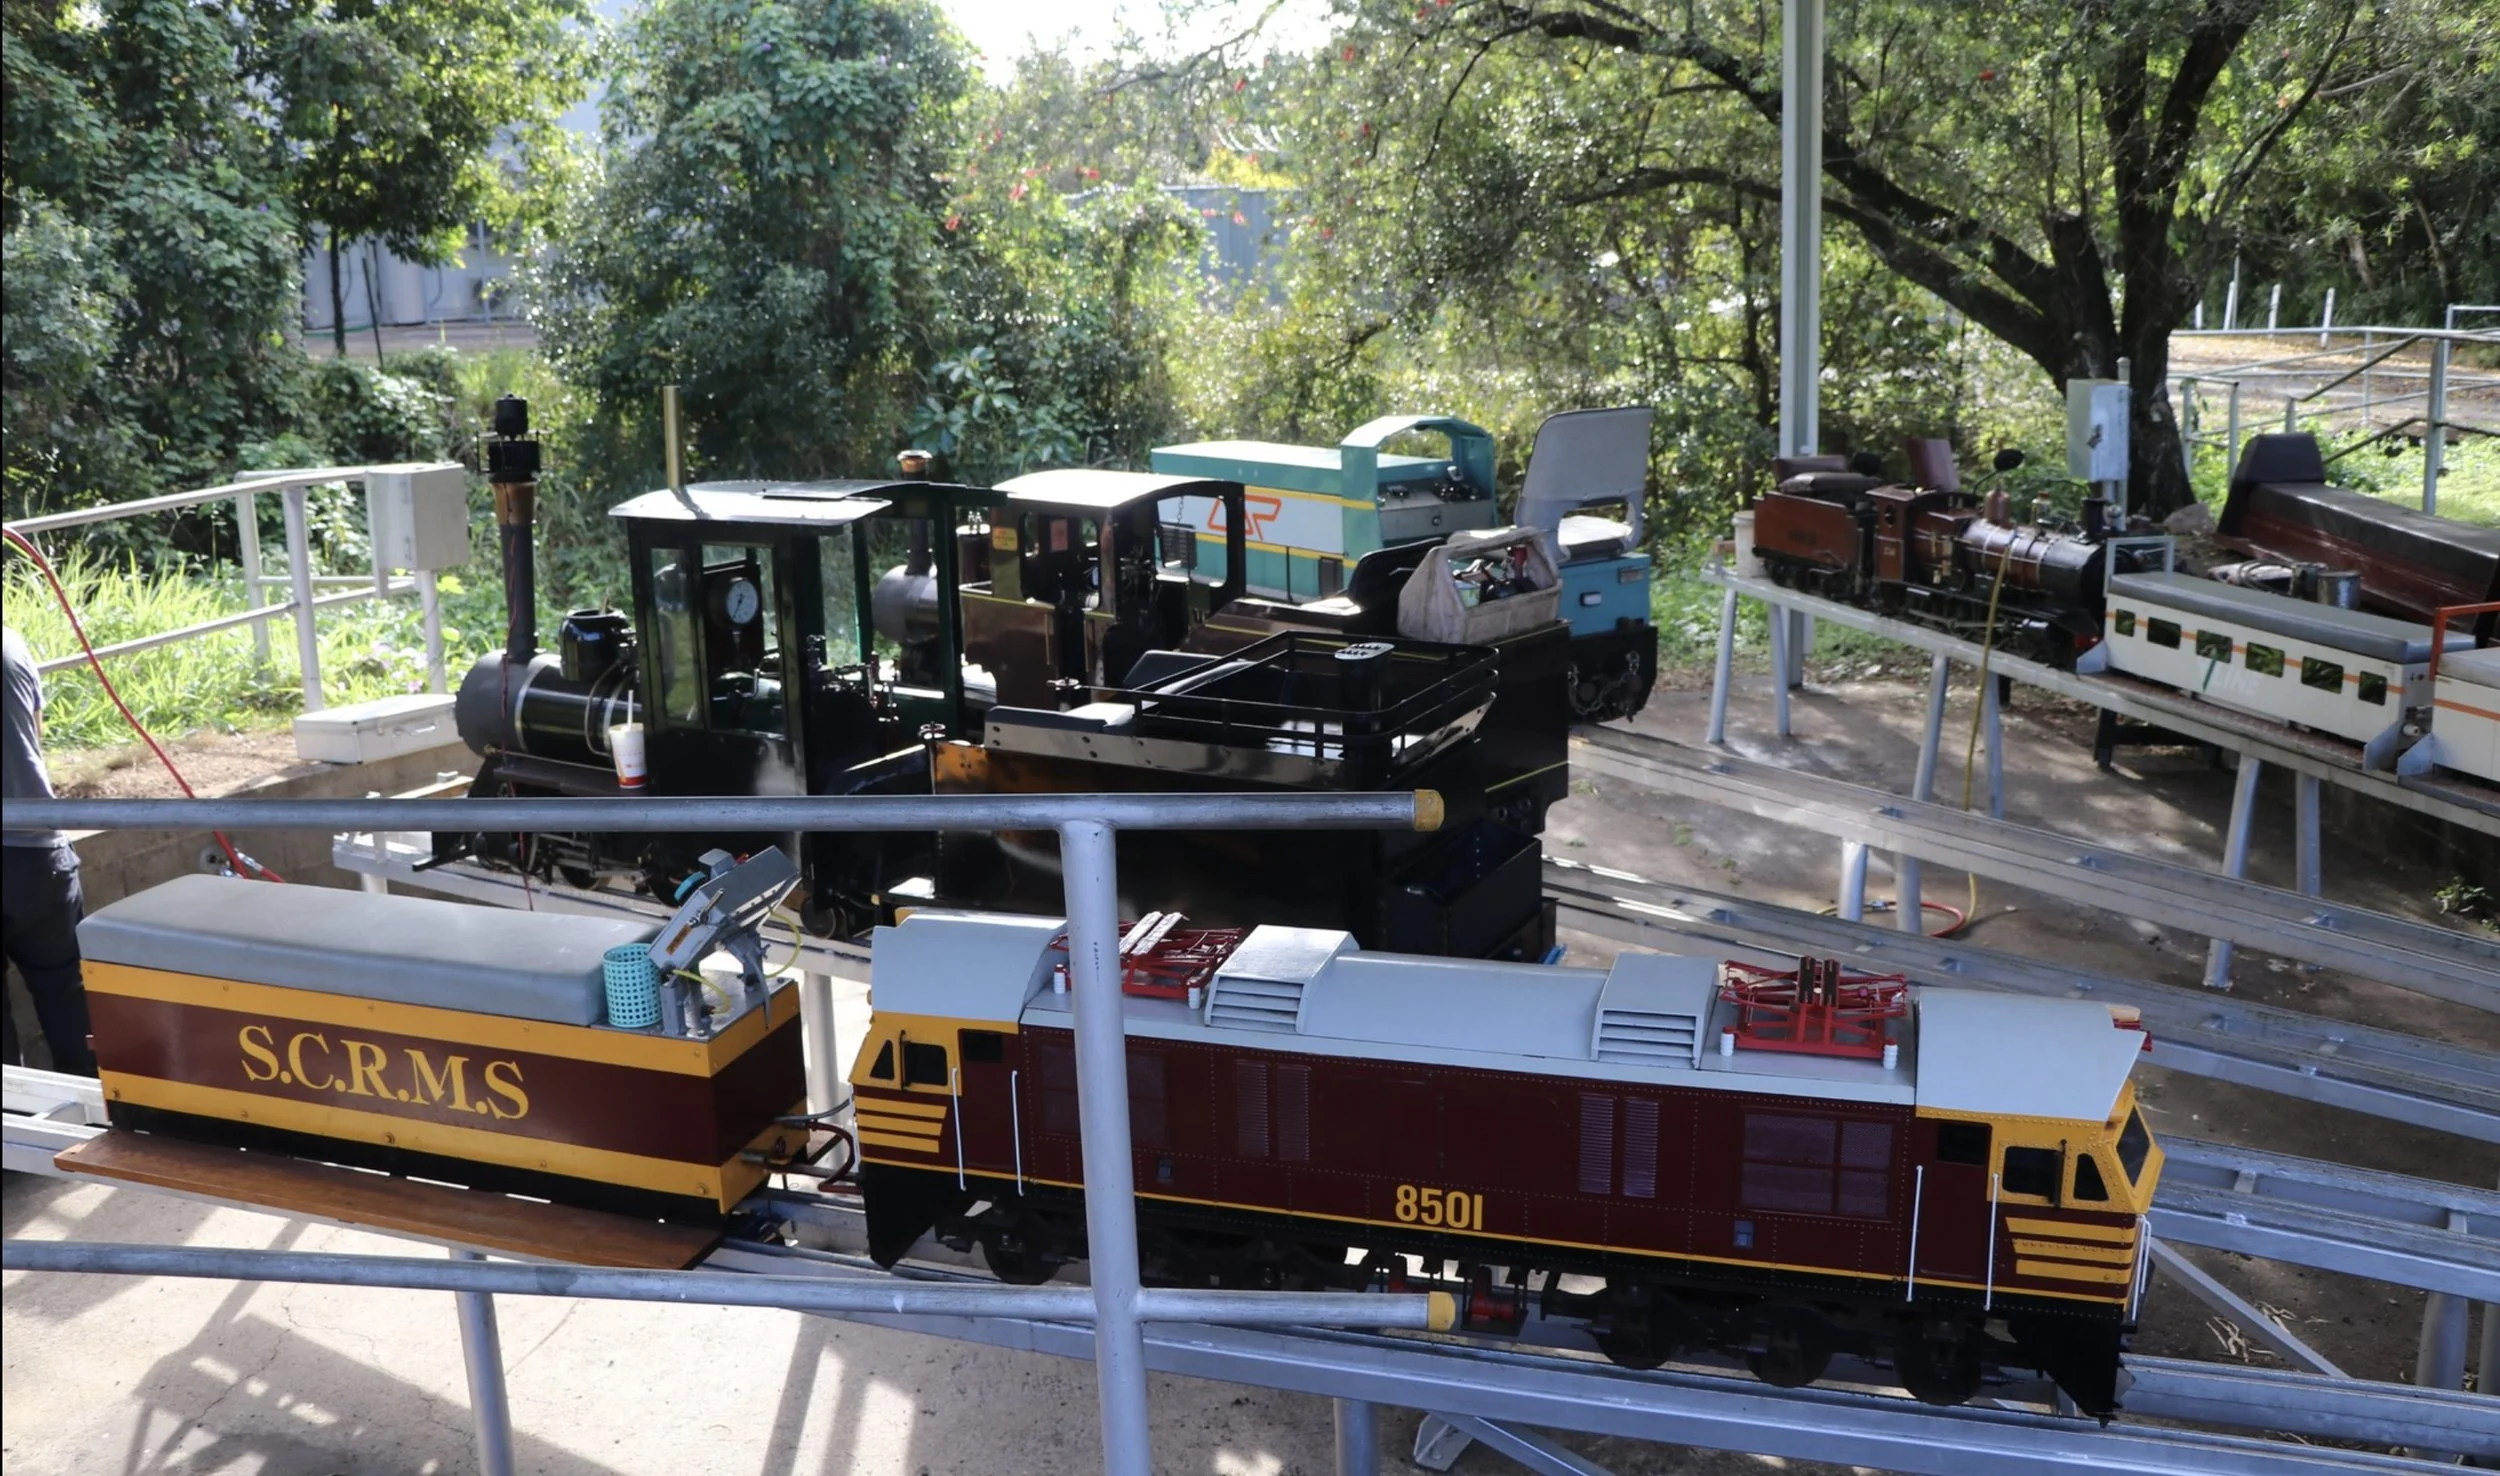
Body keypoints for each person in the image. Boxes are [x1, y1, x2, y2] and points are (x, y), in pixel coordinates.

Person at [3, 625, 95, 1075]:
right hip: (37, 853)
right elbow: (35, 733)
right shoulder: (10, 642)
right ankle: (97, 1126)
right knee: (68, 996)